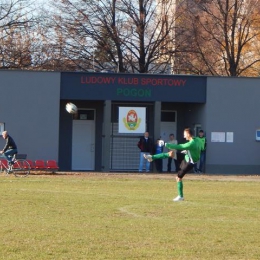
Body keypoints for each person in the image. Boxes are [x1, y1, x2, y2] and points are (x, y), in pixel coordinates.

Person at [143, 128, 202, 201]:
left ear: (188, 134)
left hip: (189, 162)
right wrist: (188, 151)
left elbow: (179, 147)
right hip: (187, 158)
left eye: (184, 134)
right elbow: (199, 149)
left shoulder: (191, 143)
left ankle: (181, 196)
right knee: (171, 154)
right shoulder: (196, 139)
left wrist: (165, 144)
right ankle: (152, 157)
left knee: (178, 178)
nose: (184, 136)